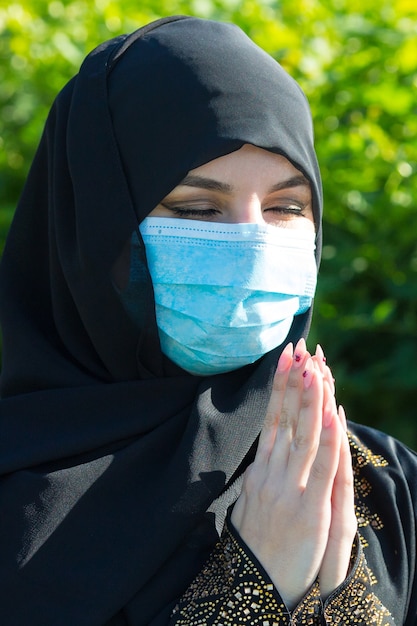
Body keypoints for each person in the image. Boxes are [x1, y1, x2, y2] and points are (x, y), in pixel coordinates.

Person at [0, 14, 416, 626]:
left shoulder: (385, 486)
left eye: (287, 206)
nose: (252, 241)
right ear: (89, 234)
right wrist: (252, 594)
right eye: (198, 207)